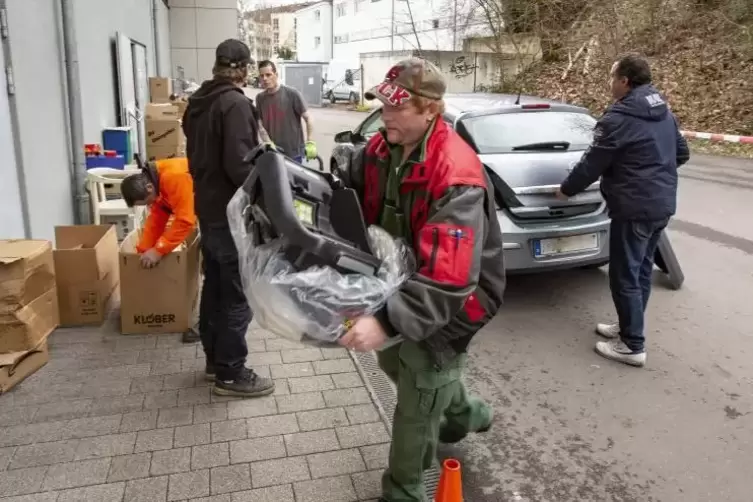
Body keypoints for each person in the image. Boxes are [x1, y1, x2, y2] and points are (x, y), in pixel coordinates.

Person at [336, 58, 506, 501]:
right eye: (383, 105)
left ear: (430, 110)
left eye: (397, 109)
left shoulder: (456, 174)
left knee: (415, 401)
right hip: (401, 283)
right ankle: (465, 415)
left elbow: (449, 278)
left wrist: (388, 322)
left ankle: (404, 492)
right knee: (400, 365)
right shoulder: (381, 149)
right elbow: (351, 186)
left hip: (455, 298)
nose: (385, 116)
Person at [557, 54, 690, 368]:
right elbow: (682, 152)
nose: (609, 82)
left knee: (624, 274)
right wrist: (656, 173)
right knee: (641, 270)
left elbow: (592, 164)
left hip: (633, 207)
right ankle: (629, 324)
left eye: (611, 76)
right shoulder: (663, 111)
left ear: (624, 82)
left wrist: (566, 190)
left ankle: (632, 345)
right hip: (660, 205)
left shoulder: (619, 118)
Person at [182, 38, 275, 397]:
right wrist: (268, 187)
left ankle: (214, 360)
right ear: (243, 67)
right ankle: (232, 373)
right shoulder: (234, 104)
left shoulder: (199, 101)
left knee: (217, 287)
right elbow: (240, 165)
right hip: (231, 213)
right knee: (237, 293)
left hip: (207, 207)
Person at [120, 157, 196, 268]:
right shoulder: (157, 182)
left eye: (147, 202)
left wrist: (158, 250)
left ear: (149, 187)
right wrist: (142, 251)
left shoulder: (174, 177)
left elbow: (185, 221)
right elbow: (157, 219)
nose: (149, 205)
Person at [255, 60, 317, 163]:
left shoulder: (292, 94)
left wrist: (310, 141)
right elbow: (260, 124)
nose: (265, 79)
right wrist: (268, 142)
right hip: (274, 153)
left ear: (276, 75)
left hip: (294, 153)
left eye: (268, 75)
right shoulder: (260, 98)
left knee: (295, 179)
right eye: (262, 76)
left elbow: (308, 117)